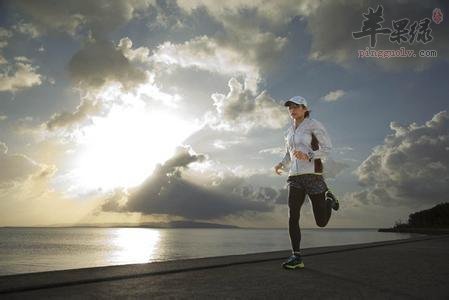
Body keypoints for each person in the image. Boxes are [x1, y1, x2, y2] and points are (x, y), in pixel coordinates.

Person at [274, 95, 339, 270]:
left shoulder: (314, 125)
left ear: (305, 109)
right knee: (292, 215)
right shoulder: (288, 132)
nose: (292, 110)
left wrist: (309, 155)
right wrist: (281, 163)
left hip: (312, 175)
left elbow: (327, 149)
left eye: (296, 107)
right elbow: (289, 154)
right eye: (290, 108)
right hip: (294, 177)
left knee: (321, 222)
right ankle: (296, 257)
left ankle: (328, 200)